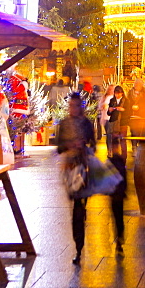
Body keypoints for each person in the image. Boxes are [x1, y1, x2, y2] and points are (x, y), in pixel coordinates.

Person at [57, 91, 96, 265]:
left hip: (83, 166)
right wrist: (70, 145)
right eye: (71, 106)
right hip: (69, 168)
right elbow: (58, 147)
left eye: (76, 106)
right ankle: (78, 245)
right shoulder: (64, 124)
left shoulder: (87, 123)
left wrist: (85, 147)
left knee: (79, 206)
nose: (73, 109)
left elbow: (93, 144)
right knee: (76, 206)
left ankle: (78, 247)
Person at [108, 135, 127, 254]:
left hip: (116, 193)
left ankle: (119, 238)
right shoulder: (118, 161)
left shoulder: (114, 161)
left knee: (117, 217)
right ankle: (119, 238)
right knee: (118, 217)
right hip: (117, 193)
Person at [107, 85, 130, 160]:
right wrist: (110, 110)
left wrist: (123, 110)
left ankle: (124, 157)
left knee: (123, 140)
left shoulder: (126, 101)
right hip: (114, 123)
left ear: (122, 93)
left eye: (119, 93)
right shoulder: (112, 100)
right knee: (114, 140)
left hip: (123, 123)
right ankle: (115, 156)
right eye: (116, 93)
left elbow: (129, 113)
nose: (117, 95)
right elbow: (109, 113)